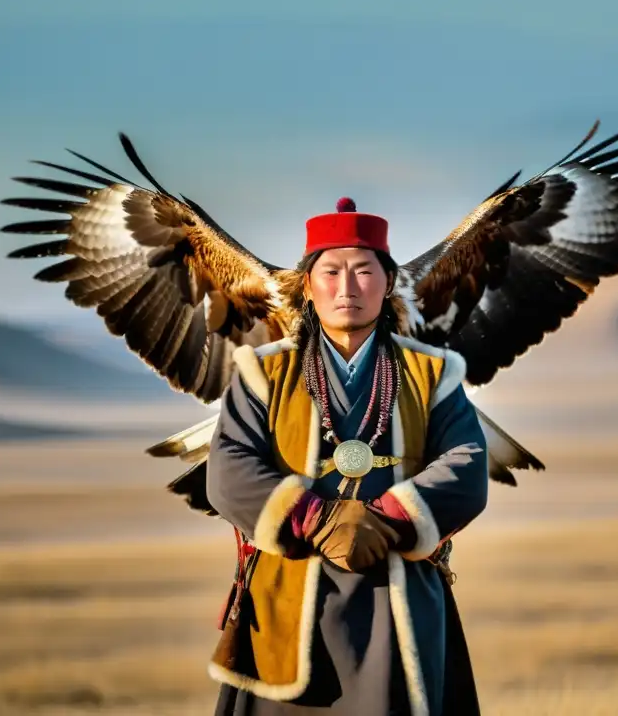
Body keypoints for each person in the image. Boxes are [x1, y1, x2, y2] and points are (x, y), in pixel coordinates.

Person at [204, 197, 489, 715]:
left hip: (399, 594)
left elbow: (467, 461)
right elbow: (228, 469)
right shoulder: (260, 372)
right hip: (287, 595)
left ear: (388, 281)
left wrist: (390, 519)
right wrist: (318, 518)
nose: (347, 288)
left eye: (364, 272)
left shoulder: (433, 374)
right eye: (330, 271)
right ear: (307, 286)